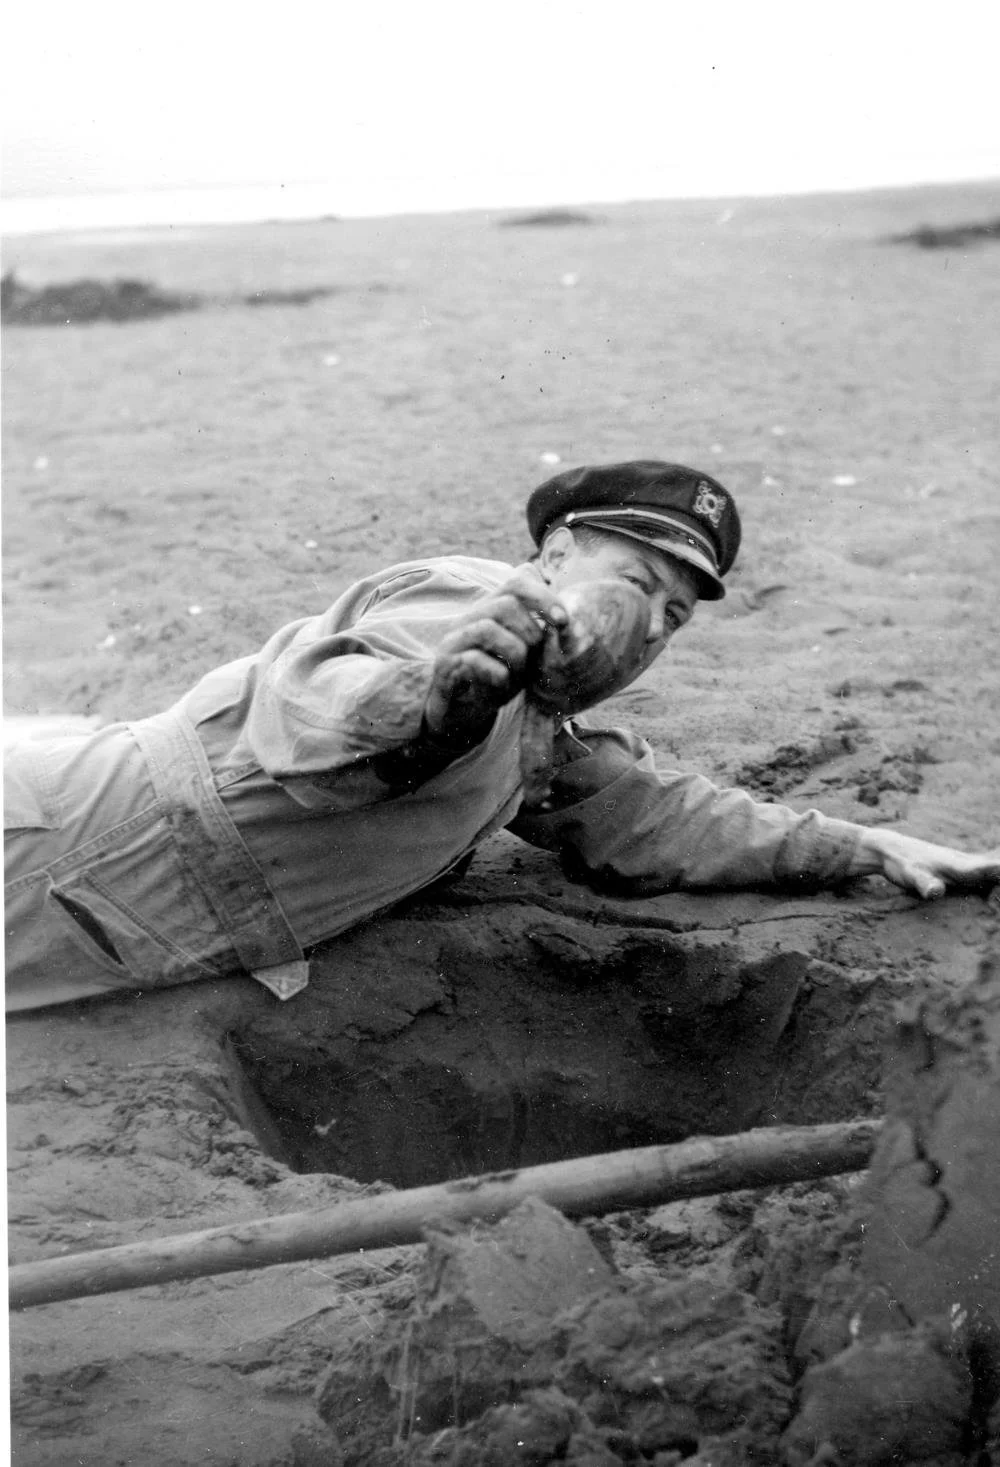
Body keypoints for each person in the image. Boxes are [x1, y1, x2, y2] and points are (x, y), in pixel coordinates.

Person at [5, 460, 997, 1013]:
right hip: (61, 845)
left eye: (675, 615)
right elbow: (322, 708)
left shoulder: (540, 722)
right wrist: (434, 706)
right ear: (555, 553)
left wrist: (864, 845)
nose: (649, 625)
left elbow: (652, 815)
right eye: (635, 583)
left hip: (112, 896)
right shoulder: (464, 599)